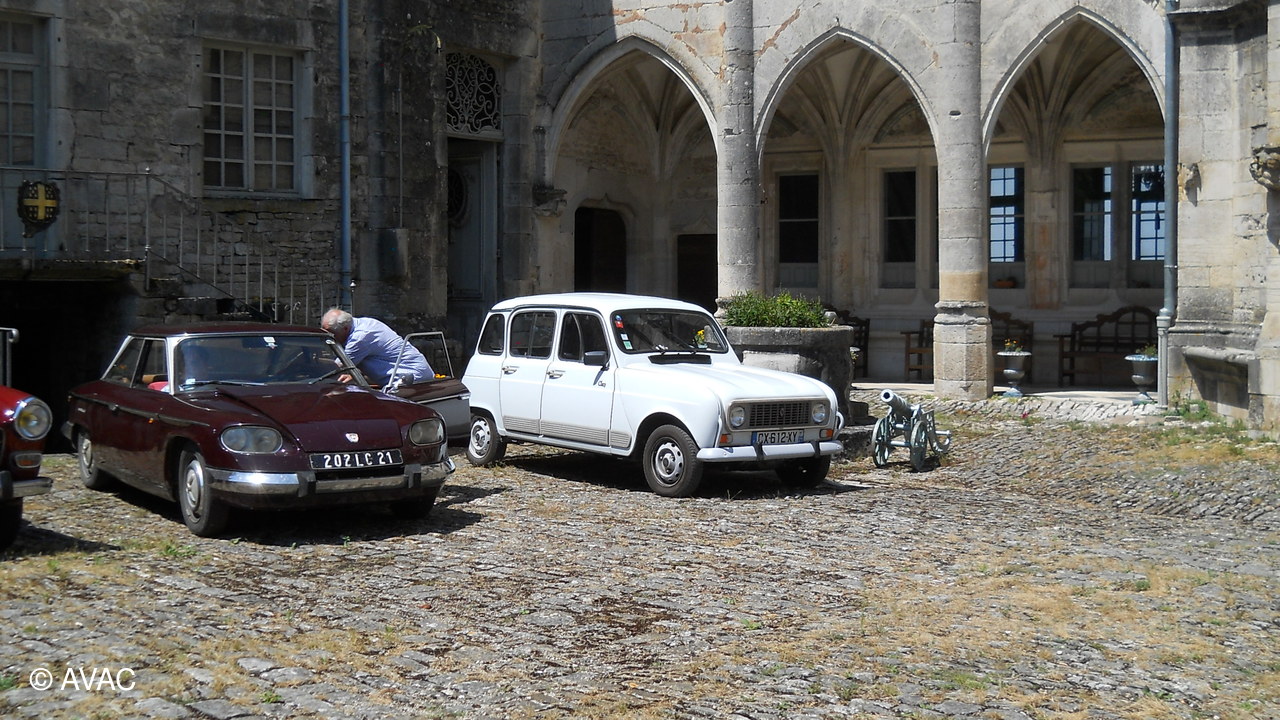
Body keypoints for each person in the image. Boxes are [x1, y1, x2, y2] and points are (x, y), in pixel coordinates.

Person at [320, 308, 433, 386]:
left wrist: (315, 362)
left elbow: (337, 367)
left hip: (411, 377)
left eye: (332, 334)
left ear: (345, 329)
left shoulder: (360, 338)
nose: (329, 337)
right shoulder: (364, 323)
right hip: (413, 373)